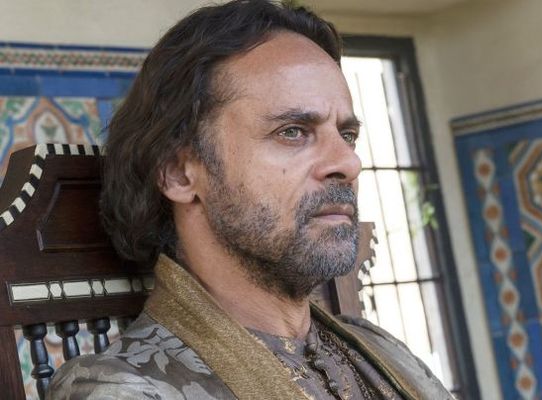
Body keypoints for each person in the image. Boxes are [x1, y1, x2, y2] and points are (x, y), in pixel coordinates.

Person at [47, 1, 453, 399]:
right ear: (180, 174)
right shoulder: (123, 389)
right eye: (292, 131)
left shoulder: (384, 351)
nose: (349, 162)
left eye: (347, 135)